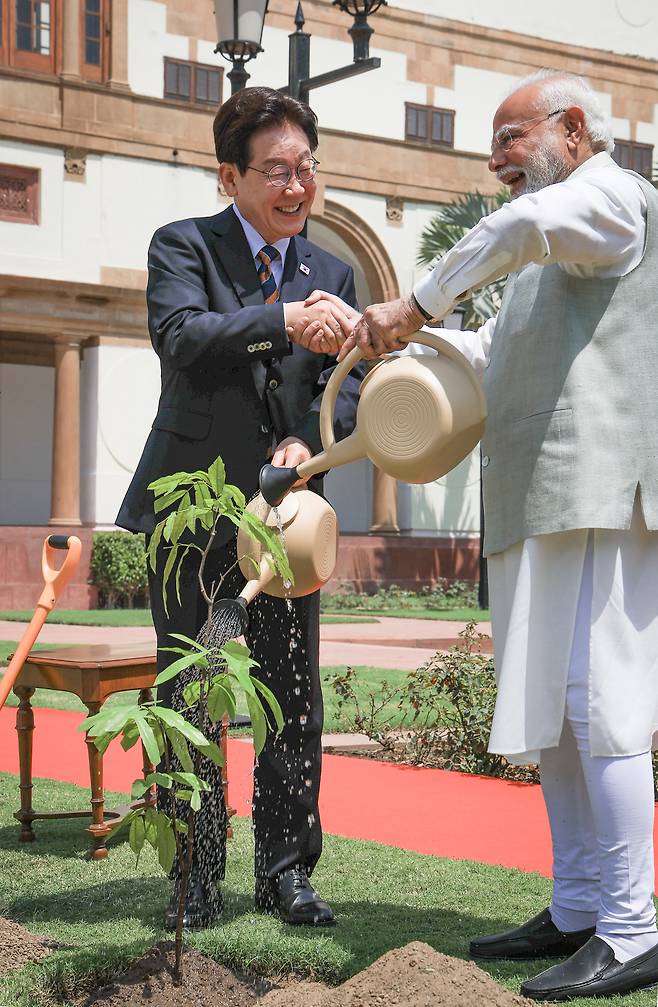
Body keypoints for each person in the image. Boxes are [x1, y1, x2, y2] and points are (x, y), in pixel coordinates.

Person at [297, 69, 658, 1000]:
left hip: (606, 493)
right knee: (562, 716)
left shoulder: (607, 198)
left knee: (604, 709)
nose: (495, 161)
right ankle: (580, 907)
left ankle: (632, 926)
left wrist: (413, 301)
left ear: (574, 129)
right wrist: (394, 342)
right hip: (545, 496)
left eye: (509, 138)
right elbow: (492, 350)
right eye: (490, 144)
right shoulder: (550, 240)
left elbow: (511, 229)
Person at [116, 86, 363, 930]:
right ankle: (197, 873)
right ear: (231, 176)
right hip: (191, 516)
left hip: (288, 524)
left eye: (308, 169)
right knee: (193, 692)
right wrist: (282, 320)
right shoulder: (182, 245)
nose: (298, 187)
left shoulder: (336, 273)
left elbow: (348, 385)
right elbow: (181, 335)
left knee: (292, 697)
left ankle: (288, 873)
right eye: (278, 171)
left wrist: (307, 444)